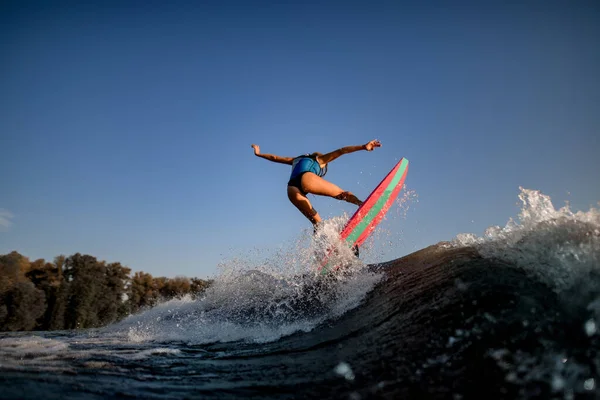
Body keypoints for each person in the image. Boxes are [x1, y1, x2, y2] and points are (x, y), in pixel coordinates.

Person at [250, 139, 382, 232]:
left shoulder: (296, 159)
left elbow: (274, 157)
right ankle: (363, 205)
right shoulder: (320, 159)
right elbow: (342, 150)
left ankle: (328, 249)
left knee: (318, 225)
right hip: (307, 179)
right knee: (342, 194)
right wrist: (363, 147)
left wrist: (258, 153)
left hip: (291, 189)